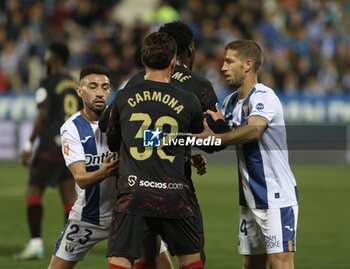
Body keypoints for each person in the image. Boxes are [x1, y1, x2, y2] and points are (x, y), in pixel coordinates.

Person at [99, 21, 228, 264]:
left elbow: (111, 129)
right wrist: (194, 140)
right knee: (194, 250)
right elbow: (214, 142)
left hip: (134, 186)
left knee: (144, 256)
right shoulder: (198, 87)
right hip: (175, 186)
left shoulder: (133, 84)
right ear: (186, 50)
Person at [48, 64, 174, 269]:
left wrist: (187, 154)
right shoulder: (71, 129)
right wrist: (105, 171)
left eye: (105, 87)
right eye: (93, 86)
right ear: (80, 91)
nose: (100, 92)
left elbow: (156, 140)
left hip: (130, 212)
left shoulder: (125, 117)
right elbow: (80, 178)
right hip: (89, 217)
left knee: (164, 266)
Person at [194, 40, 299, 269]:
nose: (223, 67)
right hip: (249, 199)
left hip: (275, 197)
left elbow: (253, 130)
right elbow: (214, 138)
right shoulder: (230, 102)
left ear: (248, 64)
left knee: (280, 263)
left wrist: (217, 137)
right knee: (251, 264)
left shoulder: (264, 96)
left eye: (230, 61)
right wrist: (196, 146)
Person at [14, 42, 83, 261]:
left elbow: (43, 115)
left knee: (34, 191)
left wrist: (28, 144)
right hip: (68, 146)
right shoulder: (74, 84)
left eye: (48, 55)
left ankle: (35, 244)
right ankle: (70, 246)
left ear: (54, 59)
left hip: (48, 148)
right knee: (69, 199)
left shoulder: (48, 82)